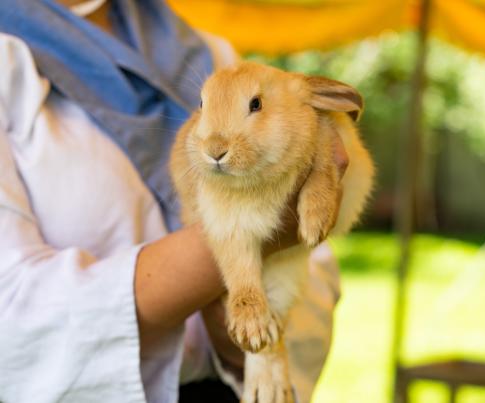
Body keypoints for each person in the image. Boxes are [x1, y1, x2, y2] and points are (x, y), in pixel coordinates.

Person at [0, 1, 346, 402]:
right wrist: (249, 235)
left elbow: (314, 259)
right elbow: (12, 320)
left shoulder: (209, 54)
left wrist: (244, 339)